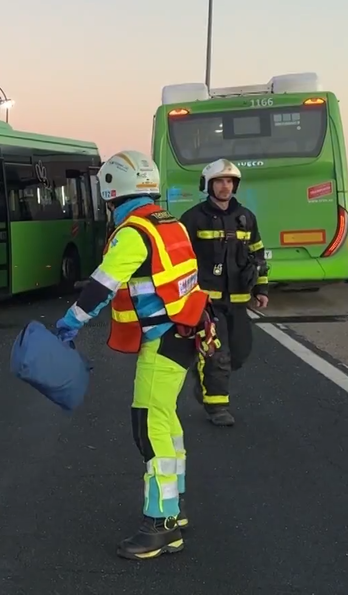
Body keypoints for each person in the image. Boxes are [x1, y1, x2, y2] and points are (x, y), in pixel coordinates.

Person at [52, 149, 217, 560]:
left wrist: (71, 322)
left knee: (149, 427)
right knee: (167, 421)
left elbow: (101, 285)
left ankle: (160, 525)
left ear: (112, 194)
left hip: (162, 339)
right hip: (186, 331)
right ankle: (174, 510)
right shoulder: (169, 224)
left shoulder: (133, 232)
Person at [179, 159, 269, 427]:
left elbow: (258, 255)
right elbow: (181, 259)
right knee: (218, 356)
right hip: (208, 303)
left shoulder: (246, 218)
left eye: (229, 181)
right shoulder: (193, 218)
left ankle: (204, 376)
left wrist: (261, 288)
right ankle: (217, 407)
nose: (225, 186)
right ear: (208, 185)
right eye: (219, 181)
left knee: (239, 354)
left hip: (239, 302)